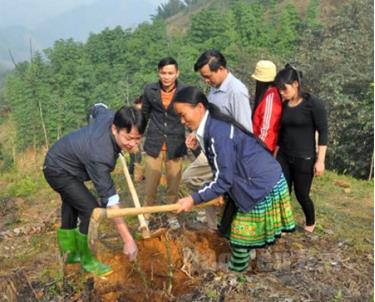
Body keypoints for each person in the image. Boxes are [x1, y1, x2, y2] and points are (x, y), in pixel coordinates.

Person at [173, 86, 295, 273]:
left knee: (239, 237)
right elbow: (221, 168)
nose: (182, 121)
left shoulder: (217, 132)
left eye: (183, 115)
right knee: (235, 229)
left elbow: (223, 179)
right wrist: (218, 191)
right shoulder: (211, 126)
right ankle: (248, 259)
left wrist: (193, 199)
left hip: (260, 184)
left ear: (199, 108)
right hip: (251, 179)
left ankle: (237, 274)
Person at [43, 104, 143, 276]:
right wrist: (128, 240)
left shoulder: (111, 116)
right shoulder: (100, 154)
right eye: (128, 138)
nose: (133, 144)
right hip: (57, 169)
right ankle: (86, 259)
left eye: (137, 138)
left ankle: (69, 253)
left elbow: (98, 107)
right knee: (90, 209)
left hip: (66, 162)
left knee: (72, 203)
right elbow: (111, 202)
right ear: (114, 129)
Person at [181, 50, 253, 230]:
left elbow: (245, 129)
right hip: (211, 149)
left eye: (208, 76)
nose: (206, 80)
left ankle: (236, 234)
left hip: (228, 152)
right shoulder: (214, 88)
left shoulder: (236, 91)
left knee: (226, 189)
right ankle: (214, 227)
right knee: (192, 179)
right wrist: (197, 133)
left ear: (220, 69)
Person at [274, 64, 328, 233]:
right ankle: (282, 224)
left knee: (301, 194)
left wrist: (320, 161)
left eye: (285, 89)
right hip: (284, 154)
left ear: (296, 84)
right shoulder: (284, 105)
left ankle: (310, 223)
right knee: (282, 191)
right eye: (280, 90)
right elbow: (281, 131)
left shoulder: (313, 104)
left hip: (304, 157)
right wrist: (275, 154)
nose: (282, 93)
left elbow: (323, 132)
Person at [141, 57, 187, 215]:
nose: (167, 76)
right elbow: (144, 115)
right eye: (163, 73)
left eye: (170, 73)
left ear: (177, 73)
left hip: (176, 144)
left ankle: (171, 215)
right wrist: (135, 137)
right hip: (154, 143)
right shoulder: (149, 90)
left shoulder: (185, 91)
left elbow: (190, 116)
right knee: (150, 187)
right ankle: (146, 216)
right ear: (158, 73)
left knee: (173, 186)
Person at [251, 60, 282, 153]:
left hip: (264, 148)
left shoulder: (271, 98)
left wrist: (257, 150)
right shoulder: (268, 95)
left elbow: (266, 129)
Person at [128, 96, 143, 180]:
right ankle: (136, 175)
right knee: (136, 156)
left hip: (135, 137)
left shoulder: (138, 112)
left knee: (135, 156)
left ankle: (132, 174)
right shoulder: (134, 113)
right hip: (132, 137)